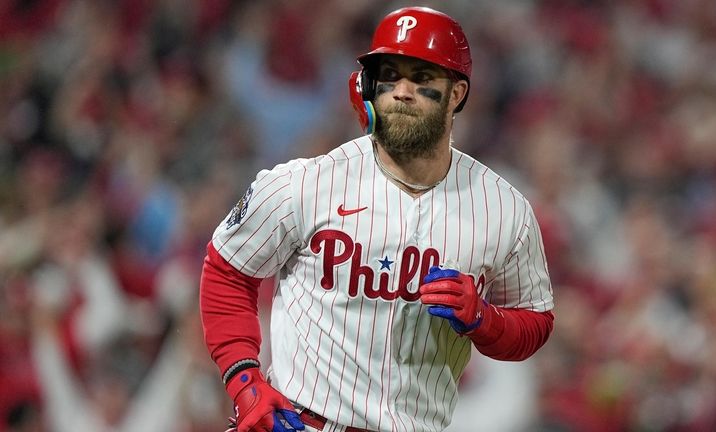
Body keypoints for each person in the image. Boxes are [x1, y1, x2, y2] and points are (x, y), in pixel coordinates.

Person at [200, 6, 555, 432]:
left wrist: (484, 319)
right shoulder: (305, 182)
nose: (402, 91)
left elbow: (535, 321)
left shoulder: (503, 207)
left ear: (456, 93)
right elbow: (226, 272)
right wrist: (245, 381)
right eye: (389, 75)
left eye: (422, 78)